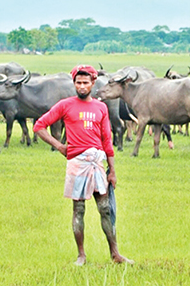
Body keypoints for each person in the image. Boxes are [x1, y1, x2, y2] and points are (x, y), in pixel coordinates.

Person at [33, 65, 133, 266]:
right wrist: (59, 146)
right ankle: (81, 255)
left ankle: (115, 253)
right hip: (77, 163)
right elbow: (39, 126)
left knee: (105, 208)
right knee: (78, 209)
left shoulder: (101, 107)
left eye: (85, 83)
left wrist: (112, 170)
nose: (81, 86)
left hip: (97, 161)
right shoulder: (65, 105)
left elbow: (107, 139)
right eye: (78, 83)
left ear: (93, 84)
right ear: (74, 84)